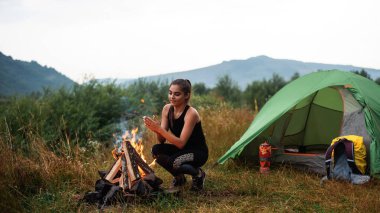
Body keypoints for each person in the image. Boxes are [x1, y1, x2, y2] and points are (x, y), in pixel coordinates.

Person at [143, 79, 208, 191]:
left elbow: (181, 143)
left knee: (175, 162)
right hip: (182, 150)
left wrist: (159, 129)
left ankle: (198, 174)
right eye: (170, 93)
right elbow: (162, 140)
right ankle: (179, 178)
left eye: (177, 94)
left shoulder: (191, 113)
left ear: (186, 95)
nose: (172, 97)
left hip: (197, 152)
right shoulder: (167, 109)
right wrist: (157, 130)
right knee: (156, 150)